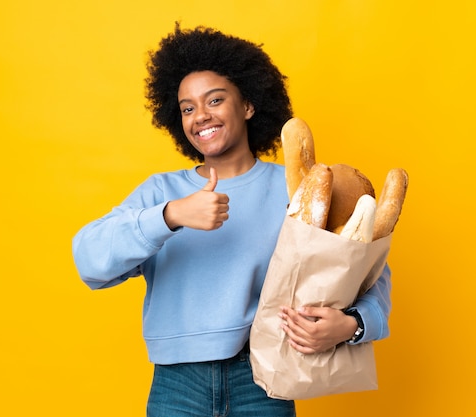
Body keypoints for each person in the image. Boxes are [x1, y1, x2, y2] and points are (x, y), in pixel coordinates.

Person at [72, 23, 392, 417]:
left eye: (215, 100)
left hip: (264, 378)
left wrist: (354, 325)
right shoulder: (161, 193)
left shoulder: (299, 189)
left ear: (248, 105)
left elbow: (366, 268)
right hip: (177, 384)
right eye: (188, 108)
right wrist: (171, 216)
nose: (200, 116)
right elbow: (89, 261)